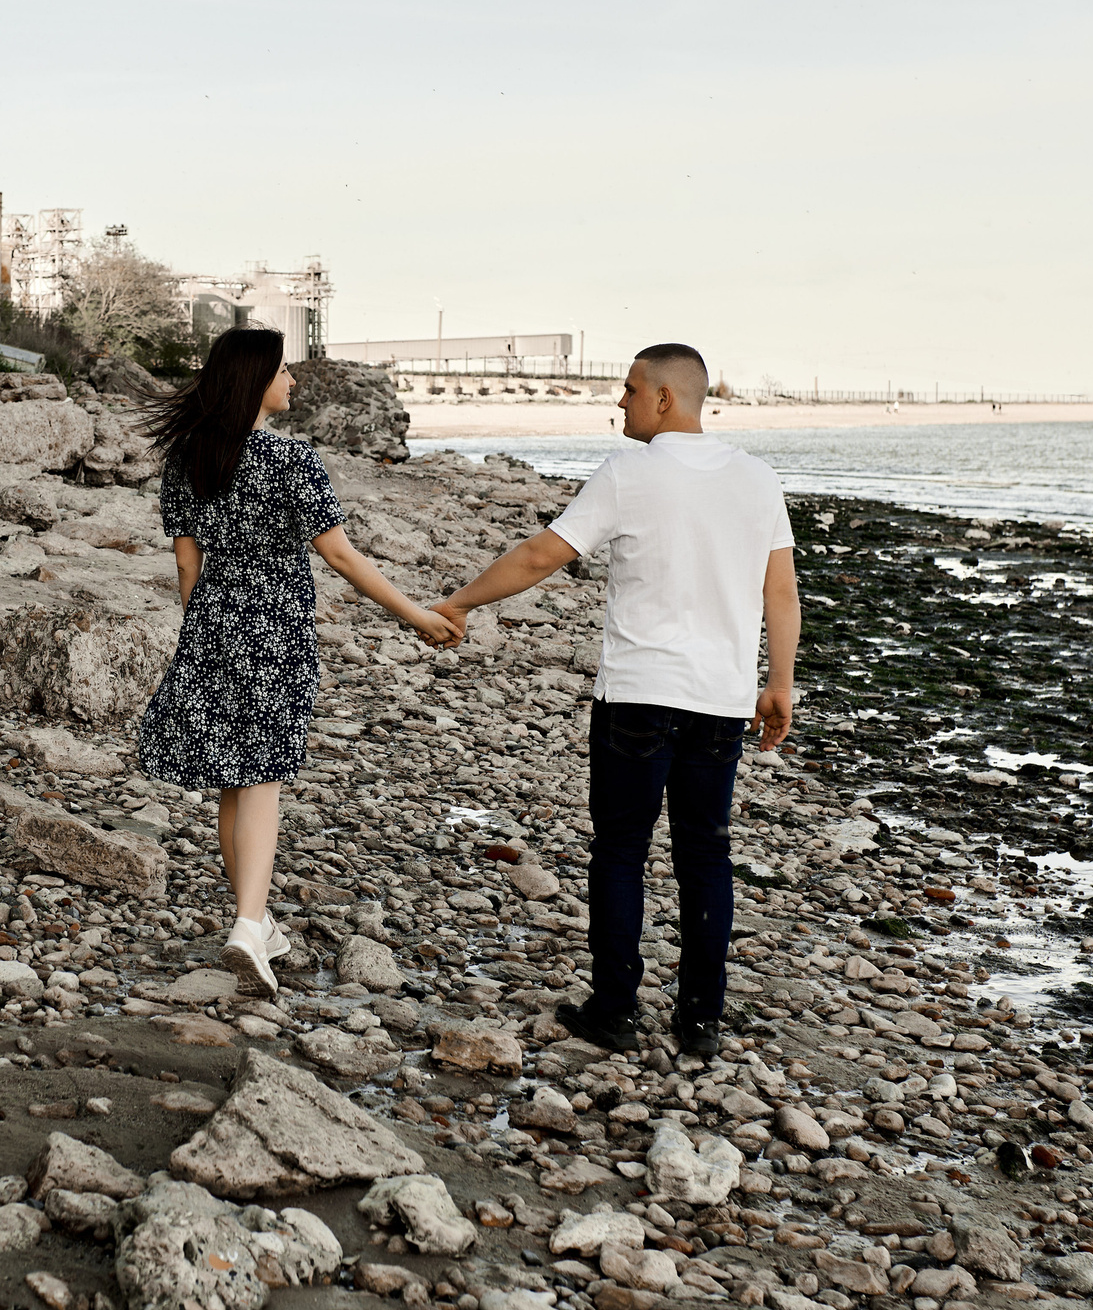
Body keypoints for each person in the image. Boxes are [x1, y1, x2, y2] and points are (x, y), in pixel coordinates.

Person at [433, 344, 798, 1057]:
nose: (620, 403)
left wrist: (460, 601)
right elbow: (779, 590)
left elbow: (543, 554)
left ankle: (614, 1007)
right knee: (706, 855)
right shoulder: (756, 478)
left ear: (665, 397)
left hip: (637, 696)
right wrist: (778, 682)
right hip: (720, 702)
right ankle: (700, 1019)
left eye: (630, 390)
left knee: (622, 851)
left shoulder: (630, 473)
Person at [137, 327, 460, 998]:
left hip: (210, 630)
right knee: (263, 779)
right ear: (255, 381)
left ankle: (261, 923)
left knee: (234, 780)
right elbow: (341, 557)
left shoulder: (190, 457)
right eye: (284, 371)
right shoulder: (291, 461)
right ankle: (249, 926)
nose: (294, 381)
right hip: (275, 635)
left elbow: (186, 563)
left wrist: (207, 631)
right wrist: (418, 614)